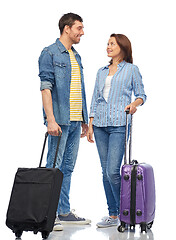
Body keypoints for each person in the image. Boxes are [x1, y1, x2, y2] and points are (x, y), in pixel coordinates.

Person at [87, 34, 147, 228]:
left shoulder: (131, 70)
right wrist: (90, 124)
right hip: (100, 125)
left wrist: (134, 104)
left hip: (120, 124)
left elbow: (141, 95)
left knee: (113, 171)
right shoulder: (101, 71)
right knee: (105, 172)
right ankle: (113, 216)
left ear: (122, 46)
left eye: (112, 43)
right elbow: (95, 99)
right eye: (107, 43)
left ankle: (125, 212)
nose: (108, 46)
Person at [38, 13, 91, 231]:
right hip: (59, 120)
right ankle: (47, 214)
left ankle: (63, 211)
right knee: (54, 167)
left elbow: (80, 90)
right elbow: (45, 88)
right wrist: (50, 119)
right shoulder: (49, 53)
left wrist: (84, 119)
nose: (82, 32)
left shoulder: (76, 56)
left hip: (76, 120)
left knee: (68, 167)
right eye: (79, 28)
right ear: (66, 29)